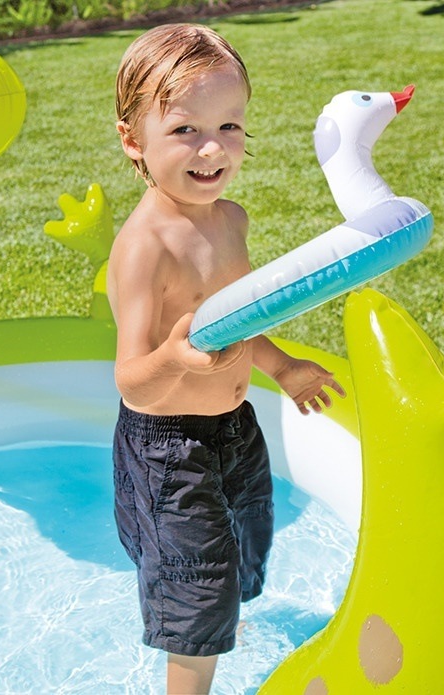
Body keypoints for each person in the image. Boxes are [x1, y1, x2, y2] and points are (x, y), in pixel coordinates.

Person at [108, 24, 345, 694]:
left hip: (235, 430)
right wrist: (175, 358)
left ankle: (212, 636)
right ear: (133, 139)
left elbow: (236, 325)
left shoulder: (231, 219)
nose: (212, 148)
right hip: (168, 449)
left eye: (229, 126)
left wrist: (283, 367)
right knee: (197, 594)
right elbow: (132, 383)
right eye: (185, 130)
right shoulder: (145, 248)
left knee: (244, 547)